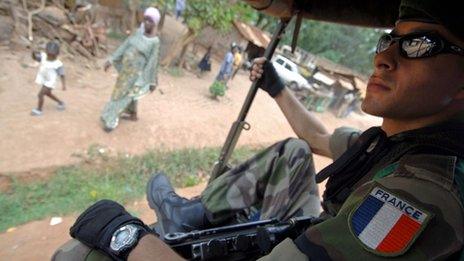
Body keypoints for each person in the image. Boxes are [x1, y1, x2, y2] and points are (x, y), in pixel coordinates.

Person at [53, 0, 464, 260]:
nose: (384, 58)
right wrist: (277, 87)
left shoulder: (421, 193)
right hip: (317, 228)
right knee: (293, 151)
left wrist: (125, 236)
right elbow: (316, 139)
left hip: (320, 239)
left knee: (79, 254)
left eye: (419, 45)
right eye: (387, 41)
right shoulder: (393, 146)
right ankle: (188, 214)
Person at [100, 7, 161, 132]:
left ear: (155, 23)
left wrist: (152, 81)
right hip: (126, 71)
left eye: (150, 21)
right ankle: (133, 114)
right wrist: (111, 59)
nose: (146, 23)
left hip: (137, 75)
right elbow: (126, 45)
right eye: (145, 20)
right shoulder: (138, 32)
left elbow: (153, 62)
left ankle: (110, 120)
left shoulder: (154, 42)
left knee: (123, 95)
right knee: (121, 92)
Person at [31, 41, 66, 116]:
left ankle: (39, 110)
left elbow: (62, 75)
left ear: (57, 55)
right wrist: (33, 51)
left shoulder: (58, 64)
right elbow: (35, 57)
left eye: (52, 56)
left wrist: (63, 85)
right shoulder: (43, 56)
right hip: (44, 79)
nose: (50, 57)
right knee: (48, 93)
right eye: (49, 55)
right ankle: (61, 102)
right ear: (46, 52)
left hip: (50, 82)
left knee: (40, 95)